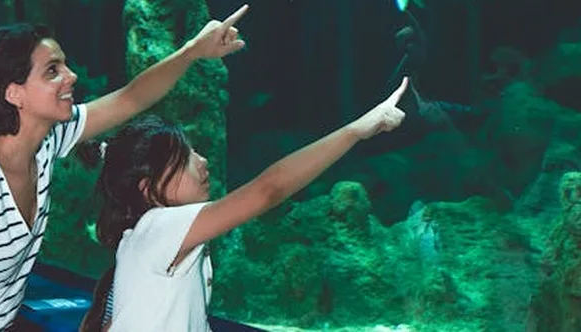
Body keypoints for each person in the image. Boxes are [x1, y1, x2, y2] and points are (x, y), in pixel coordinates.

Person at [0, 4, 251, 332]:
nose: (72, 76)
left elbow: (131, 98)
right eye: (53, 71)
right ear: (13, 94)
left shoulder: (43, 141)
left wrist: (194, 50)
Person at [77, 76, 411, 332]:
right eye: (185, 159)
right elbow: (270, 189)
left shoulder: (155, 240)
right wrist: (356, 131)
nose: (203, 161)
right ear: (148, 190)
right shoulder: (158, 228)